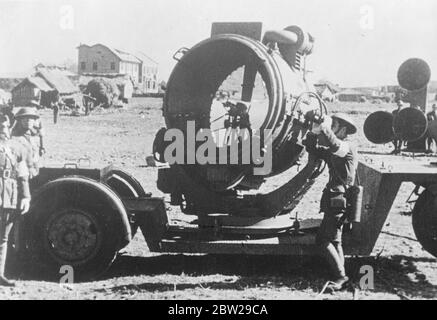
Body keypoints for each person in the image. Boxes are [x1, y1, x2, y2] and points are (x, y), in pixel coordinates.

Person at [305, 113, 358, 292]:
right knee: (335, 241)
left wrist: (323, 127)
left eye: (335, 125)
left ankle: (340, 276)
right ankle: (341, 276)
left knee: (322, 240)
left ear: (343, 129)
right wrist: (313, 130)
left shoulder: (347, 147)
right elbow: (313, 149)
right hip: (334, 199)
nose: (332, 127)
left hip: (338, 200)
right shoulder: (337, 150)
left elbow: (334, 144)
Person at [0, 114, 31, 286]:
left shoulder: (16, 149)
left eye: (5, 126)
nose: (3, 130)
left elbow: (23, 174)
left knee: (3, 238)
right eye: (0, 127)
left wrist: (26, 196)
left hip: (9, 195)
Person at [11, 107, 43, 179]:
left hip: (35, 171)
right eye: (25, 118)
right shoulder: (15, 138)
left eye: (31, 118)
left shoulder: (34, 137)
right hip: (22, 174)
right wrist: (29, 167)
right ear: (19, 121)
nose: (28, 120)